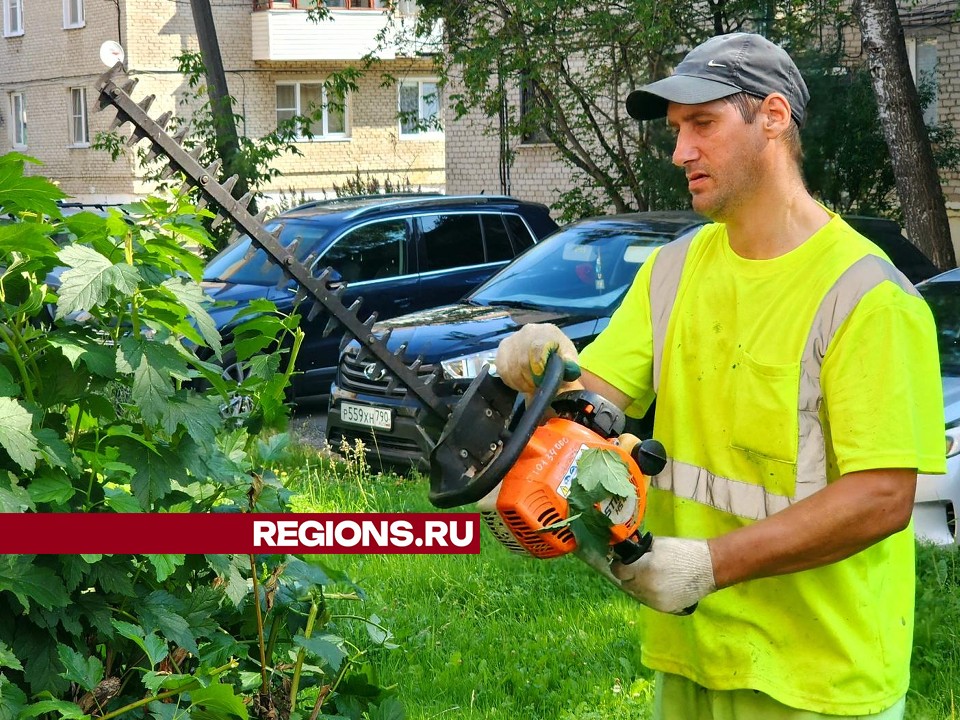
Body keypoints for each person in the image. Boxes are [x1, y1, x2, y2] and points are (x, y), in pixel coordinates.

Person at [495, 32, 945, 719]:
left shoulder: (868, 296)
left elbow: (882, 496)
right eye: (676, 131)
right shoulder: (672, 270)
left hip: (821, 678)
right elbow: (592, 409)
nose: (680, 152)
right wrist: (539, 373)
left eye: (701, 124)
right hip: (694, 653)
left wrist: (707, 565)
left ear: (772, 116)